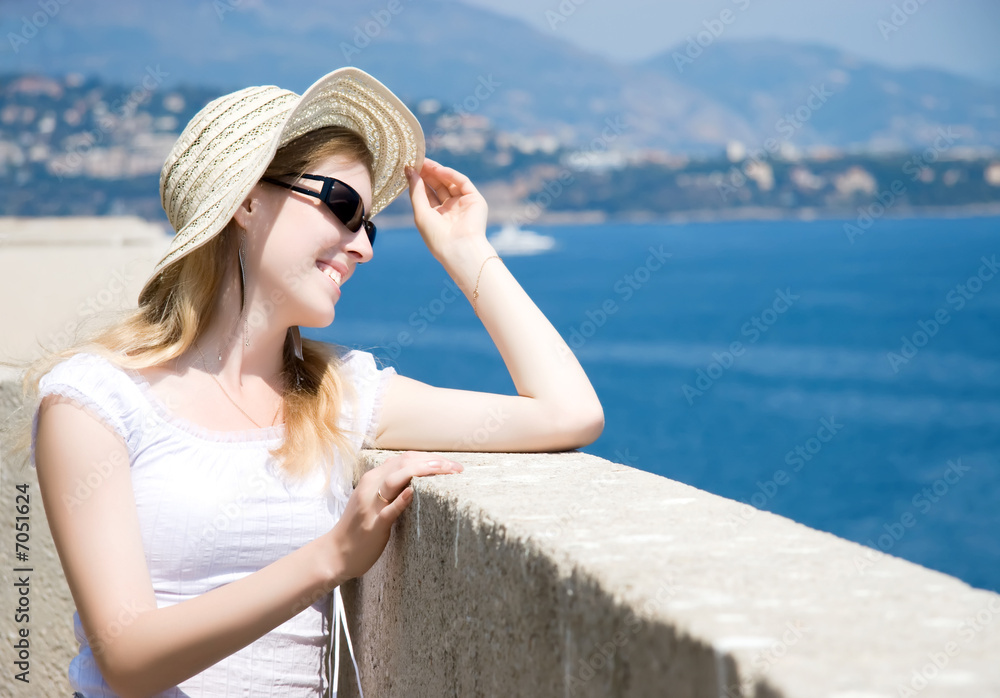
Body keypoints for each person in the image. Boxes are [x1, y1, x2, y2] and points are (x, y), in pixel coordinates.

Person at [11, 67, 604, 697]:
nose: (362, 247)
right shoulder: (95, 400)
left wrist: (465, 248)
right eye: (343, 208)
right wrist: (332, 559)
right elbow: (128, 661)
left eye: (368, 225)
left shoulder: (338, 393)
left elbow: (568, 413)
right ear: (245, 200)